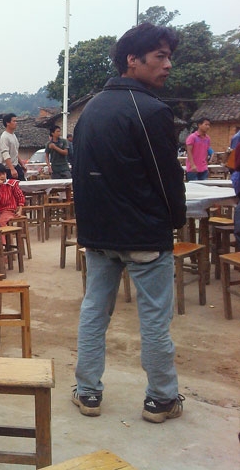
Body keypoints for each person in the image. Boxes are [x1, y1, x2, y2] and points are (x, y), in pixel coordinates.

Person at [72, 23, 186, 423]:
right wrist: (175, 221)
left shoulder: (89, 112)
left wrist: (88, 229)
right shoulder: (152, 110)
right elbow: (167, 177)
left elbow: (80, 175)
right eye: (160, 56)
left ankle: (87, 392)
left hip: (99, 236)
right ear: (132, 60)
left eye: (169, 57)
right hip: (144, 236)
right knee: (154, 320)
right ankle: (161, 398)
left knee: (94, 311)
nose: (167, 65)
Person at [0, 113, 26, 180]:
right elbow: (5, 154)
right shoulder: (4, 137)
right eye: (14, 121)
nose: (16, 123)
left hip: (16, 166)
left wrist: (22, 164)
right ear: (8, 123)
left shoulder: (13, 135)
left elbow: (15, 152)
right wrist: (12, 169)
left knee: (23, 184)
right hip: (9, 168)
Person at [185, 117, 211, 181]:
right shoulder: (192, 137)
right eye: (206, 124)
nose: (208, 127)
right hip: (193, 169)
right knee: (194, 186)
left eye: (209, 125)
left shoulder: (207, 138)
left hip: (203, 168)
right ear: (199, 125)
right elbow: (189, 152)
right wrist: (192, 165)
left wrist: (206, 165)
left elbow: (206, 152)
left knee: (204, 186)